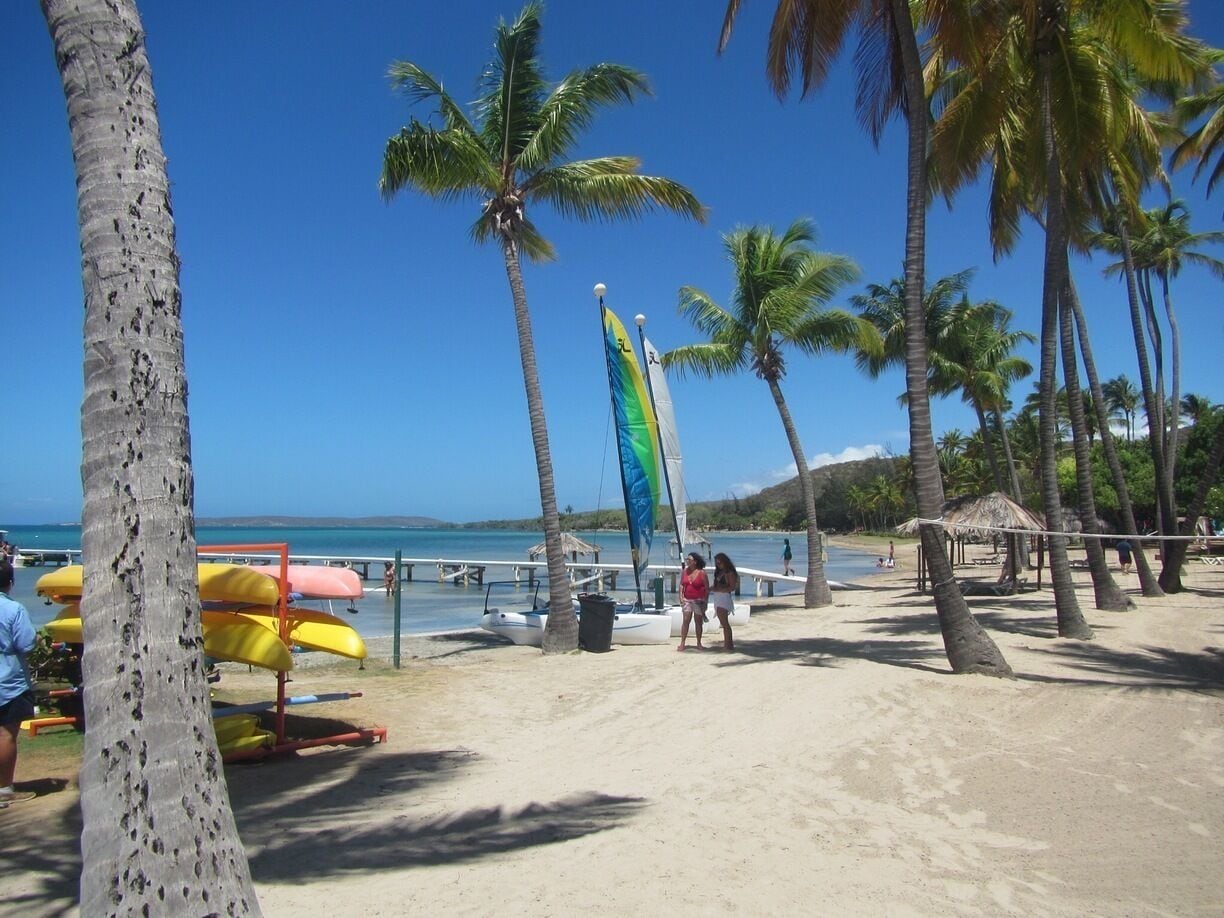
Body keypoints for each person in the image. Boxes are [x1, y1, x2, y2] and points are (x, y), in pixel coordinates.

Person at [0, 561, 37, 808]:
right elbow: (26, 643)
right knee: (5, 734)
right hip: (8, 681)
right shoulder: (14, 609)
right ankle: (4, 789)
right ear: (11, 583)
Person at [677, 552, 709, 652]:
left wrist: (705, 602)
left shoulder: (702, 573)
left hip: (699, 600)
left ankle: (699, 643)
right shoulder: (684, 572)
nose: (687, 561)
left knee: (698, 621)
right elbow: (681, 585)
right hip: (687, 600)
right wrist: (680, 597)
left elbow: (707, 588)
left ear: (695, 562)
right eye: (687, 559)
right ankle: (682, 643)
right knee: (686, 620)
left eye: (689, 560)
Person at [709, 552, 739, 652]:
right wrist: (712, 588)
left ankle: (728, 645)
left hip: (724, 597)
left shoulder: (729, 572)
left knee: (725, 623)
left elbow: (732, 587)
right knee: (724, 622)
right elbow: (717, 585)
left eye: (720, 563)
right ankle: (729, 644)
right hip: (718, 597)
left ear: (725, 562)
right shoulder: (719, 572)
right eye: (717, 563)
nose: (718, 565)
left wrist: (720, 589)